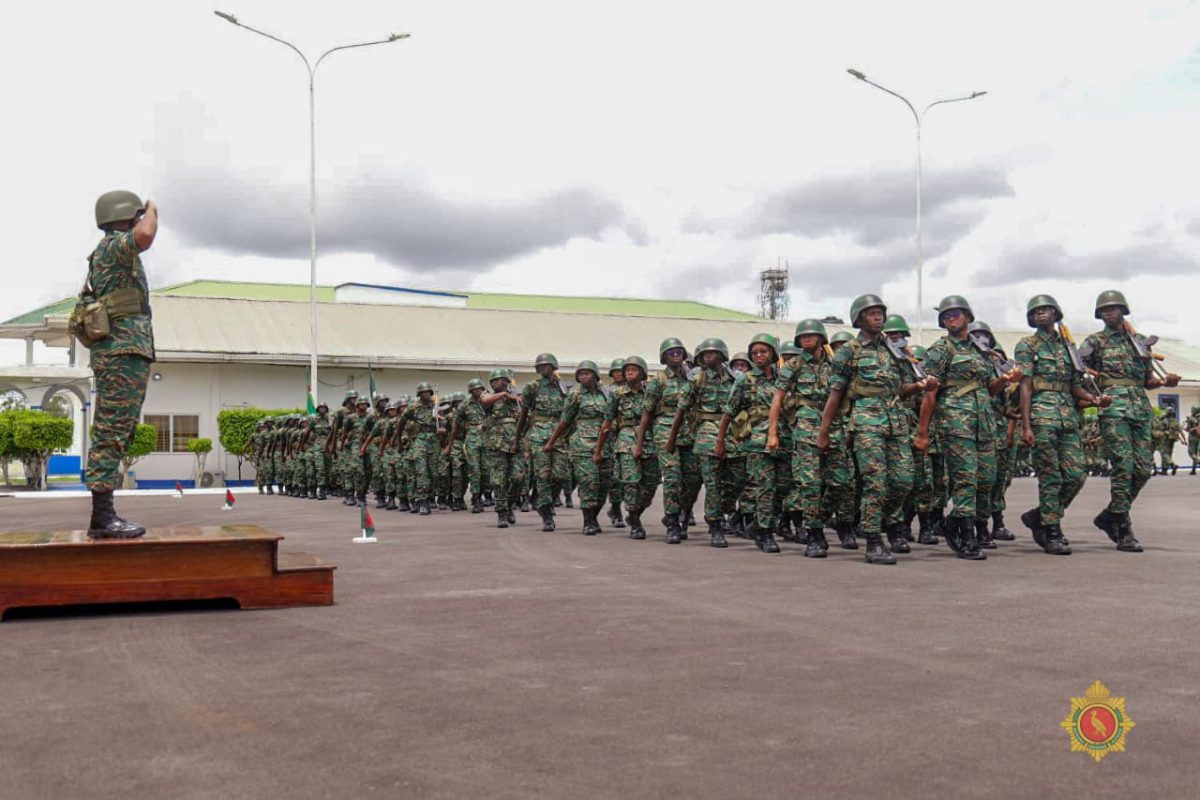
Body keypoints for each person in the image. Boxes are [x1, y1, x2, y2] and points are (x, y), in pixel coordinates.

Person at [817, 295, 925, 565]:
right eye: (872, 313)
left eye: (880, 313)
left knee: (903, 480)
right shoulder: (848, 352)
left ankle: (888, 522)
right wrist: (824, 431)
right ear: (859, 318)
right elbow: (835, 393)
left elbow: (901, 388)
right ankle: (874, 539)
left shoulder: (893, 350)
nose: (878, 317)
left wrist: (922, 387)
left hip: (896, 421)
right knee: (875, 482)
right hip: (866, 422)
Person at [917, 296, 1020, 559]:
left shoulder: (980, 350)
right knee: (966, 479)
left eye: (955, 314)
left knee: (987, 479)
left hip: (983, 421)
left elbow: (989, 387)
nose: (950, 319)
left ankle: (952, 523)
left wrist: (1006, 380)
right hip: (955, 422)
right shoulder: (941, 349)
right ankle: (966, 536)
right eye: (946, 316)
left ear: (967, 316)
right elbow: (930, 392)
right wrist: (923, 432)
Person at [1082, 290, 1180, 550]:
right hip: (1113, 409)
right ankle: (1123, 526)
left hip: (1139, 409)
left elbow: (1148, 381)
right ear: (1099, 314)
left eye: (1114, 308)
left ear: (1123, 311)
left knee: (1143, 469)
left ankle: (1111, 514)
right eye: (1105, 309)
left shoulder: (1139, 342)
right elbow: (1077, 369)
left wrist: (1164, 381)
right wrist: (1098, 384)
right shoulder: (1095, 341)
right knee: (1123, 467)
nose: (1109, 312)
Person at [85, 191, 158, 539]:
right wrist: (153, 208)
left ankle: (103, 515)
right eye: (137, 214)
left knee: (119, 430)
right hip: (120, 353)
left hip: (127, 352)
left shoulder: (114, 251)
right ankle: (102, 517)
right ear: (127, 215)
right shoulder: (113, 246)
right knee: (110, 432)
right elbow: (144, 236)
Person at [1014, 295, 1106, 555]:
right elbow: (1025, 387)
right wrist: (1026, 425)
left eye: (1047, 310)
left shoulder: (1068, 346)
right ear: (1031, 318)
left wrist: (1094, 399)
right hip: (1042, 417)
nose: (1042, 314)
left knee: (1077, 474)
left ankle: (1040, 516)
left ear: (1056, 314)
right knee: (1050, 477)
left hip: (1067, 416)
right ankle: (1052, 530)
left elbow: (1074, 385)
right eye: (1036, 312)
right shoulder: (1027, 345)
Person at [769, 319, 851, 557]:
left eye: (810, 336)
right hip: (805, 428)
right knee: (810, 485)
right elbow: (778, 399)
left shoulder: (835, 365)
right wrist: (772, 432)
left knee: (840, 483)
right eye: (802, 337)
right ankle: (814, 534)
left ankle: (816, 518)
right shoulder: (793, 365)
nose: (806, 340)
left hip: (833, 427)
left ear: (821, 338)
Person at [718, 333, 787, 554]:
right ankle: (765, 534)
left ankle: (758, 523)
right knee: (765, 487)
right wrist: (720, 441)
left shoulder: (783, 378)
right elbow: (729, 413)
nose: (759, 356)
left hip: (785, 439)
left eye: (763, 351)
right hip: (758, 442)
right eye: (755, 352)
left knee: (786, 486)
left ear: (773, 354)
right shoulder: (744, 381)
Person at [672, 338, 736, 548]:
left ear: (722, 355)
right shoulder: (696, 379)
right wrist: (672, 438)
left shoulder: (735, 379)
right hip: (705, 434)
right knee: (711, 483)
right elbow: (681, 409)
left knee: (736, 481)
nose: (707, 357)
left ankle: (723, 512)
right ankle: (715, 526)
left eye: (712, 353)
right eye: (704, 354)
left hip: (732, 435)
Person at [639, 338, 702, 544]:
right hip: (665, 433)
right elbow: (647, 413)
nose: (675, 355)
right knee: (672, 478)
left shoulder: (693, 379)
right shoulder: (658, 381)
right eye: (671, 352)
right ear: (664, 357)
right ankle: (672, 521)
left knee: (693, 479)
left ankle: (683, 511)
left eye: (678, 352)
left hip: (689, 432)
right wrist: (640, 443)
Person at [544, 361, 612, 535]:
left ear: (595, 375)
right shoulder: (575, 395)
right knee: (589, 482)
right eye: (580, 374)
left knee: (604, 484)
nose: (583, 376)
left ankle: (594, 516)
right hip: (582, 443)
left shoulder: (606, 393)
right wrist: (552, 442)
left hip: (604, 443)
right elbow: (565, 420)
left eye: (587, 373)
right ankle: (587, 521)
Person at [599, 356, 660, 539]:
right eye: (627, 370)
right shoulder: (617, 393)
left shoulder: (651, 391)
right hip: (625, 438)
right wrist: (599, 449)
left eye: (634, 369)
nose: (629, 372)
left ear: (642, 372)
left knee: (650, 484)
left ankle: (635, 513)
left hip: (649, 438)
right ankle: (634, 521)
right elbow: (608, 420)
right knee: (631, 482)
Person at [516, 354, 571, 532]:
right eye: (540, 367)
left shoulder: (563, 387)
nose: (543, 369)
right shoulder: (532, 387)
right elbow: (524, 414)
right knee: (542, 475)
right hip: (538, 434)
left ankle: (541, 497)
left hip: (559, 435)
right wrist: (517, 439)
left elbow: (569, 414)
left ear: (554, 367)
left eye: (547, 366)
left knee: (561, 475)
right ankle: (546, 514)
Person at [480, 369, 524, 528]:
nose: (497, 383)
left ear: (507, 381)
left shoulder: (516, 399)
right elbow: (484, 401)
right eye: (494, 380)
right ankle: (502, 513)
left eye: (500, 380)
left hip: (515, 442)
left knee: (519, 478)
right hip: (497, 444)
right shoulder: (488, 396)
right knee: (498, 481)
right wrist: (505, 395)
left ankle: (510, 503)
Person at [605, 359, 628, 528]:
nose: (618, 374)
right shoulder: (607, 391)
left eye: (621, 370)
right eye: (616, 371)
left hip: (630, 436)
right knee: (614, 478)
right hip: (612, 437)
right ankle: (616, 509)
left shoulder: (634, 388)